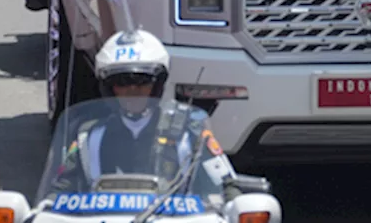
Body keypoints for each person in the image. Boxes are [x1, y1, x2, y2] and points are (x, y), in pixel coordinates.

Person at [48, 30, 234, 193]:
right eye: (122, 82)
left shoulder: (190, 131)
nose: (132, 90)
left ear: (157, 85)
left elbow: (226, 183)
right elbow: (58, 192)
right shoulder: (87, 136)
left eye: (142, 81)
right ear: (108, 88)